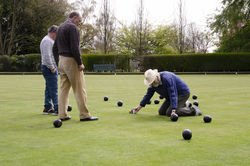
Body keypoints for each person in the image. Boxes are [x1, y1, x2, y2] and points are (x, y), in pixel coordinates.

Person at [53, 12, 98, 121]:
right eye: (78, 21)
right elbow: (74, 47)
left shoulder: (60, 28)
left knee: (64, 89)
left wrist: (57, 62)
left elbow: (54, 48)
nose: (79, 24)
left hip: (61, 61)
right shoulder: (72, 28)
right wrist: (79, 62)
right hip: (71, 61)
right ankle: (84, 115)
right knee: (79, 88)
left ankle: (62, 115)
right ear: (74, 18)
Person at [133, 69, 202, 117]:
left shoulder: (167, 78)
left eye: (153, 81)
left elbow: (173, 94)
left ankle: (194, 110)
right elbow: (148, 95)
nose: (152, 83)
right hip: (170, 97)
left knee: (169, 113)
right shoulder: (153, 84)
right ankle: (184, 104)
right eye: (151, 82)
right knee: (161, 112)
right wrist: (139, 107)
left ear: (156, 76)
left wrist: (174, 110)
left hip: (182, 93)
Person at [40, 25, 58, 115]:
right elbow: (47, 56)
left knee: (49, 88)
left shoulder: (48, 40)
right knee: (54, 89)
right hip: (49, 68)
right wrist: (52, 67)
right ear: (53, 32)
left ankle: (47, 107)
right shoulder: (47, 41)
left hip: (48, 67)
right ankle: (57, 108)